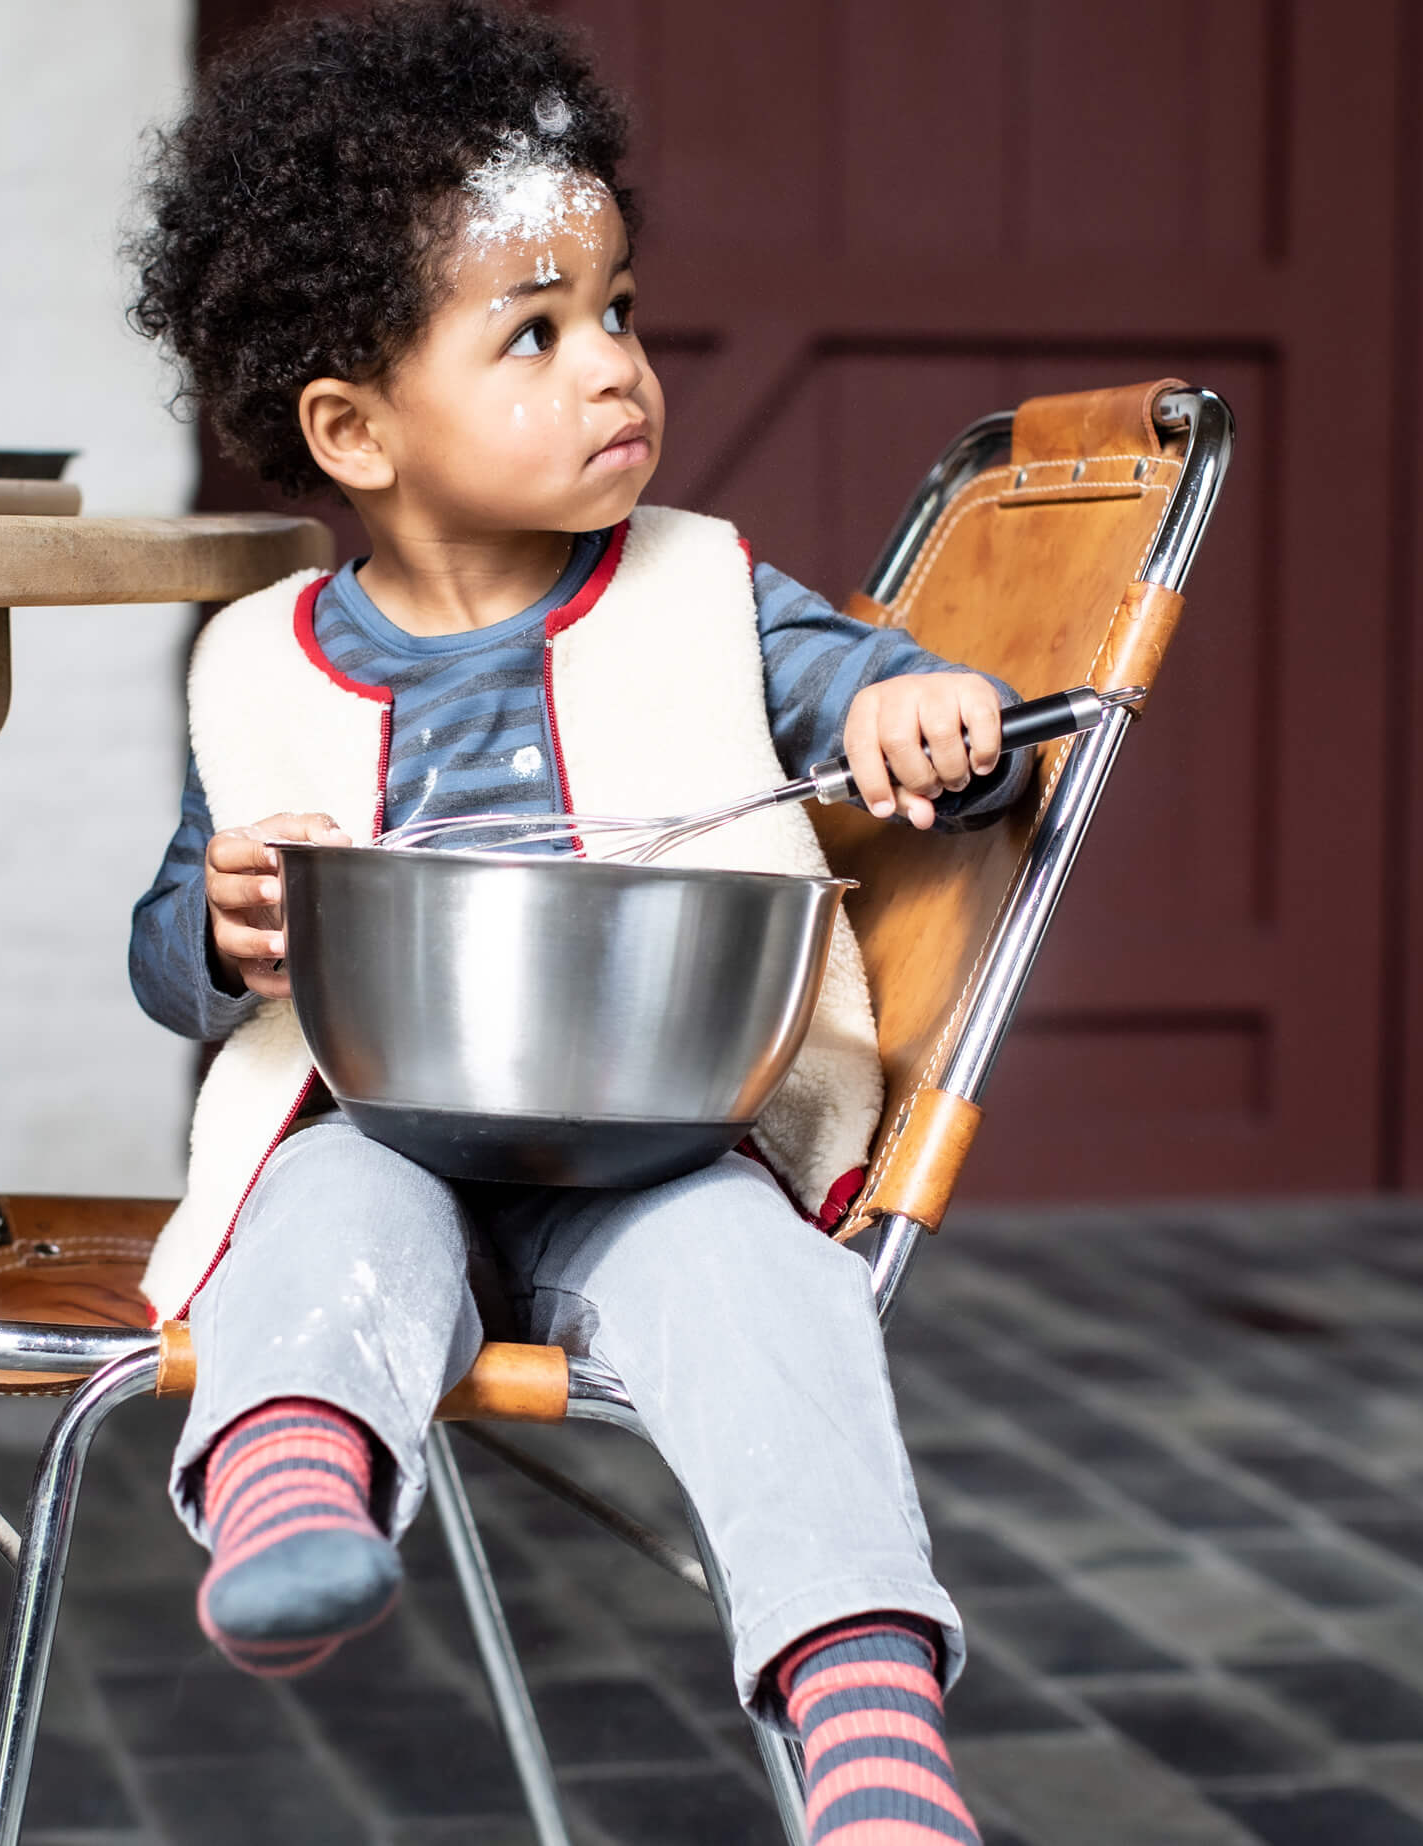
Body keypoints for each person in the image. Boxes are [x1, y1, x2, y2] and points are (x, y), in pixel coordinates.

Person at [126, 6, 1026, 1840]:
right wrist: (218, 927)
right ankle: (292, 1491)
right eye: (532, 332)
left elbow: (901, 707)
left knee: (775, 1304)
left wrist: (915, 718)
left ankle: (866, 1728)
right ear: (354, 427)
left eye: (615, 309)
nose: (612, 367)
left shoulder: (704, 595)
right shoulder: (257, 666)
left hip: (668, 1141)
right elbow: (161, 951)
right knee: (313, 1220)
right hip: (379, 1121)